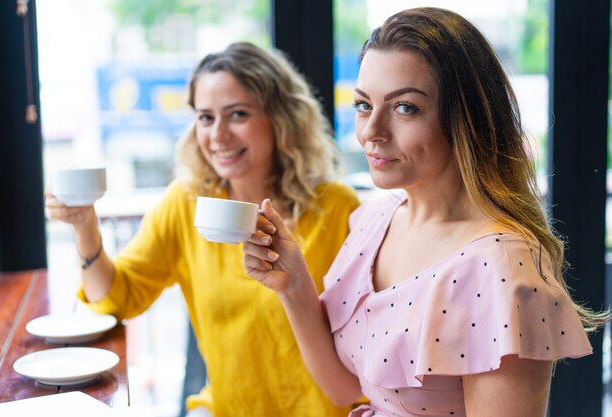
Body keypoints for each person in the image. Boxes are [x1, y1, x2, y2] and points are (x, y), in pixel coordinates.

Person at [243, 8, 608, 417]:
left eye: (405, 108)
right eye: (364, 105)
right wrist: (293, 285)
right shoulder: (374, 221)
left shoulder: (502, 266)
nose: (371, 132)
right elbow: (345, 388)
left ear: (466, 118)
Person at [45, 42, 359, 417]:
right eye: (206, 118)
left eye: (238, 114)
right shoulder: (187, 202)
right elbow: (115, 299)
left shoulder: (337, 208)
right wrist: (84, 225)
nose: (218, 135)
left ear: (281, 118)